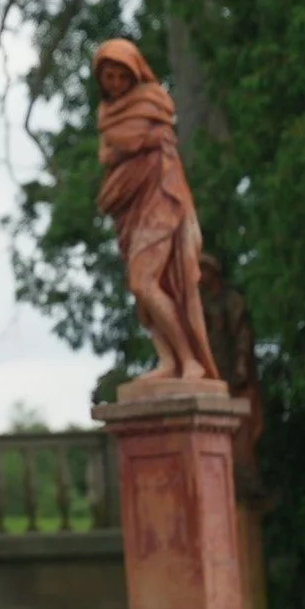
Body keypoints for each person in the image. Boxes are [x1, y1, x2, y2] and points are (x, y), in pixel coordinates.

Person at [93, 38, 220, 383]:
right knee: (146, 285)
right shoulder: (105, 113)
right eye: (109, 77)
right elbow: (108, 155)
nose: (116, 84)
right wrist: (131, 145)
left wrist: (132, 145)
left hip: (161, 199)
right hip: (130, 205)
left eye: (122, 76)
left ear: (135, 74)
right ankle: (168, 360)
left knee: (144, 280)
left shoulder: (153, 101)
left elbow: (158, 142)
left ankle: (189, 361)